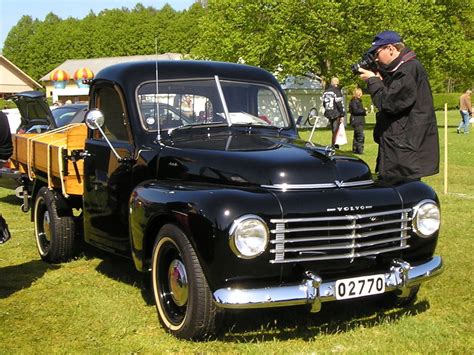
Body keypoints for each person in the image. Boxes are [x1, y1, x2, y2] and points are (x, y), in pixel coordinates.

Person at [358, 30, 439, 181]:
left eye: (377, 54)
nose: (376, 59)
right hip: (398, 148)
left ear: (391, 48)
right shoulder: (401, 69)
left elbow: (388, 103)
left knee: (403, 196)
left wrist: (373, 81)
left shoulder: (409, 69)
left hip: (405, 152)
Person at [322, 77, 345, 147]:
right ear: (337, 83)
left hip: (328, 111)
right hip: (335, 112)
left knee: (333, 129)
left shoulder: (325, 91)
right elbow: (339, 103)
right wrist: (342, 114)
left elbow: (323, 103)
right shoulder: (337, 91)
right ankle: (334, 145)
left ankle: (334, 144)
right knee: (336, 130)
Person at [349, 88, 367, 154]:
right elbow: (355, 110)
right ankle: (359, 150)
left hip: (358, 120)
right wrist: (364, 110)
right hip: (357, 121)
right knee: (360, 135)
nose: (360, 95)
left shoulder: (357, 101)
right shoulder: (354, 101)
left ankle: (355, 149)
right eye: (359, 94)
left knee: (356, 135)